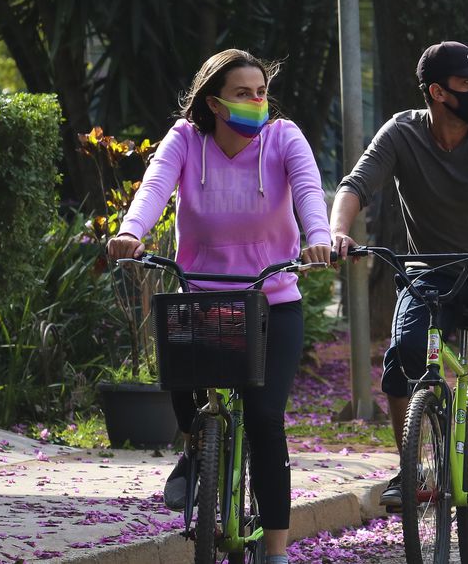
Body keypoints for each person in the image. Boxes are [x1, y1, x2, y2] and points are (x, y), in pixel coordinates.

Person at [106, 49, 332, 564]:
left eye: (261, 92)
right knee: (185, 399)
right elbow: (154, 188)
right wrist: (130, 232)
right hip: (203, 300)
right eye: (242, 94)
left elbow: (308, 193)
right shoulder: (187, 140)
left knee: (265, 419)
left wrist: (318, 238)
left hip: (273, 302)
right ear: (213, 102)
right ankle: (196, 446)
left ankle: (275, 552)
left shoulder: (283, 137)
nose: (257, 102)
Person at [329, 40, 468, 513]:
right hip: (429, 270)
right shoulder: (401, 133)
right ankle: (411, 466)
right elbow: (356, 184)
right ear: (437, 92)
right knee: (404, 356)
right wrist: (338, 232)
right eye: (466, 82)